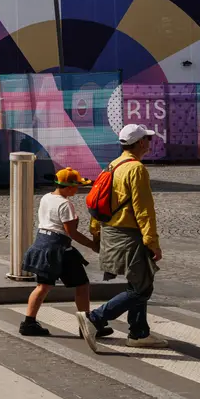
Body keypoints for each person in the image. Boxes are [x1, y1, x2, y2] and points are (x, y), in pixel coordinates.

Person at [77, 124, 169, 351]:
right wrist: (152, 242)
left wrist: (96, 232)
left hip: (111, 232)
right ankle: (95, 318)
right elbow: (144, 210)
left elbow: (97, 204)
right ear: (139, 143)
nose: (149, 142)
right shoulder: (136, 169)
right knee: (142, 288)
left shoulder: (111, 165)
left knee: (137, 282)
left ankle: (139, 333)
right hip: (129, 236)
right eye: (147, 138)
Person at [19, 169, 106, 337]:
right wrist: (93, 246)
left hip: (41, 244)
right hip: (59, 250)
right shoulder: (66, 205)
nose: (78, 190)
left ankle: (28, 323)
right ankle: (85, 327)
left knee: (42, 286)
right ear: (67, 188)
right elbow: (72, 232)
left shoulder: (46, 197)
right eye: (76, 187)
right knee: (81, 285)